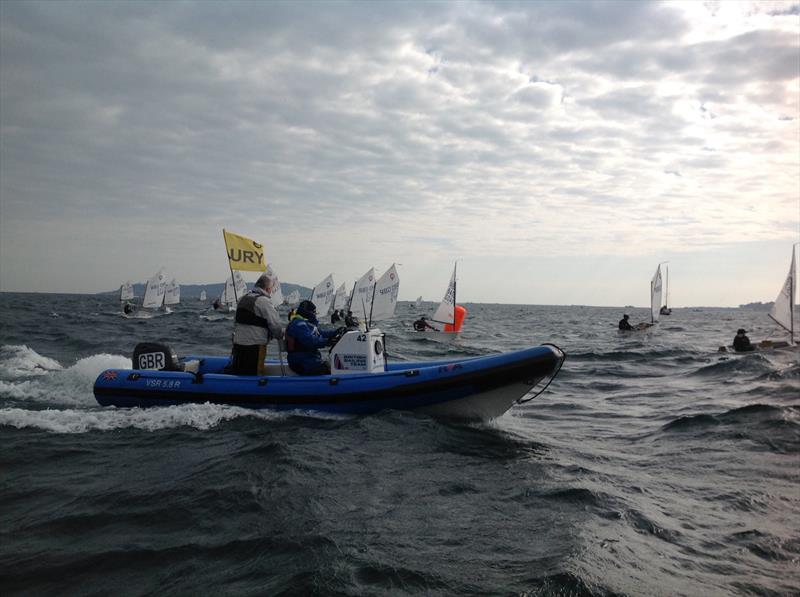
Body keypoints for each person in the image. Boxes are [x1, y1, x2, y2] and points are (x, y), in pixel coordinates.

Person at [227, 271, 284, 375]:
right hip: (255, 346)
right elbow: (275, 325)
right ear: (267, 289)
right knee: (255, 373)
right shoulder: (263, 301)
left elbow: (235, 321)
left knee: (240, 372)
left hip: (238, 344)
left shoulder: (242, 299)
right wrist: (280, 336)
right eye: (271, 289)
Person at [285, 300, 342, 375]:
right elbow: (310, 340)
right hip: (301, 361)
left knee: (330, 365)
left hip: (308, 359)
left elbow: (321, 333)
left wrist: (336, 332)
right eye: (314, 312)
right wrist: (327, 341)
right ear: (308, 312)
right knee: (328, 369)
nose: (315, 314)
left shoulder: (306, 324)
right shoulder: (298, 324)